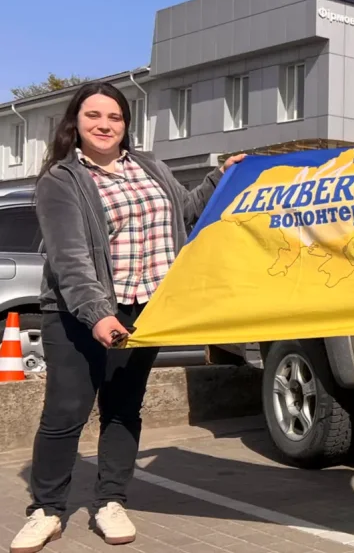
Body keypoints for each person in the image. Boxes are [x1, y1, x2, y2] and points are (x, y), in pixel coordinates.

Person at [9, 82, 244, 553]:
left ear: (126, 124)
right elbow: (70, 257)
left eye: (114, 117)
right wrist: (98, 314)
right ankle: (48, 509)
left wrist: (222, 177)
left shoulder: (151, 166)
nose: (104, 125)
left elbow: (187, 214)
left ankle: (110, 500)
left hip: (144, 311)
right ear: (75, 122)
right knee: (65, 414)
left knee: (122, 410)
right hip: (78, 314)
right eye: (93, 115)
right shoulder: (62, 179)